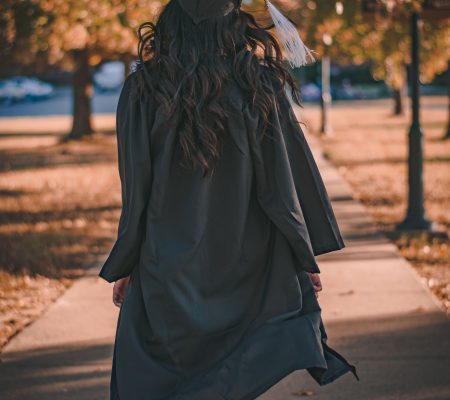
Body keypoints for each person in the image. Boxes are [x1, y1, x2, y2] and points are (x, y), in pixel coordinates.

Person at [98, 1, 359, 399]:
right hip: (246, 259)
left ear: (171, 26)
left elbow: (136, 188)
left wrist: (127, 261)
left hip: (167, 263)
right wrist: (300, 257)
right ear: (234, 27)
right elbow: (282, 184)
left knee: (157, 378)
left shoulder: (143, 89)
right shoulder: (257, 85)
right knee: (229, 375)